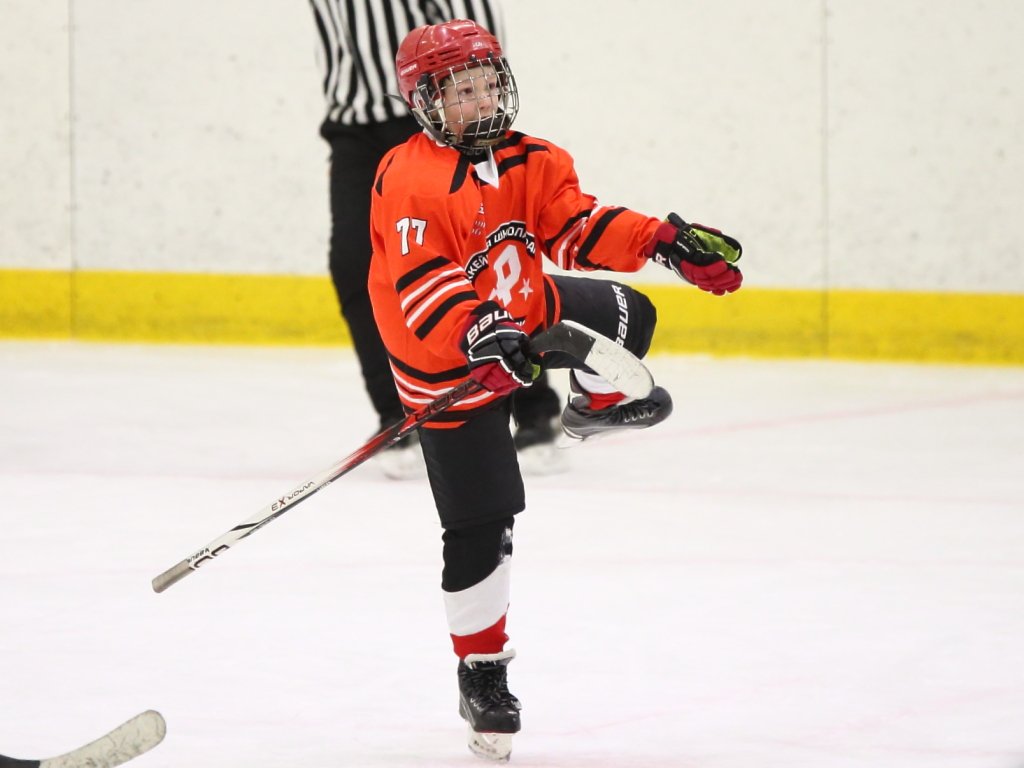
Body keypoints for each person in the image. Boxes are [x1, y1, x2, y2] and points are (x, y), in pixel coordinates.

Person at [368, 19, 743, 761]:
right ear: (426, 103)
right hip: (451, 365)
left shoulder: (533, 158)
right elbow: (421, 284)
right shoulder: (407, 178)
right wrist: (476, 333)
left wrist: (661, 242)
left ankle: (593, 402)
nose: (482, 101)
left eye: (487, 84)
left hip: (524, 317)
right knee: (483, 525)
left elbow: (576, 226)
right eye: (461, 91)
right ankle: (481, 671)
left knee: (631, 316)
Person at [309, 0, 562, 480]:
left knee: (485, 255)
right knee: (355, 265)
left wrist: (479, 109)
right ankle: (402, 415)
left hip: (434, 110)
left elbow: (473, 29)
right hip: (354, 127)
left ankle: (532, 406)